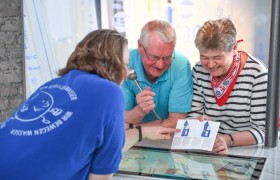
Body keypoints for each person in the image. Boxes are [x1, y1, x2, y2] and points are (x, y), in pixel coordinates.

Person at [0, 29, 179, 180]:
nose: (126, 73)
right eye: (125, 65)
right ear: (114, 64)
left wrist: (141, 133)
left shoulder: (54, 84)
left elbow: (101, 146)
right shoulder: (110, 91)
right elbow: (101, 175)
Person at [187, 18, 267, 154]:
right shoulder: (199, 70)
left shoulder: (257, 74)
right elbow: (193, 114)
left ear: (234, 48)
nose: (210, 65)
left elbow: (263, 131)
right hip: (209, 148)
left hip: (247, 151)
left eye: (217, 57)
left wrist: (226, 140)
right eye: (204, 57)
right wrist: (196, 122)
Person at [122, 20, 193, 128]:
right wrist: (140, 111)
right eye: (154, 57)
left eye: (167, 57)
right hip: (132, 141)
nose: (160, 65)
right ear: (140, 46)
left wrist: (138, 132)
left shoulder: (180, 64)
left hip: (165, 141)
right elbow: (119, 119)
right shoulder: (125, 62)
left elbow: (176, 123)